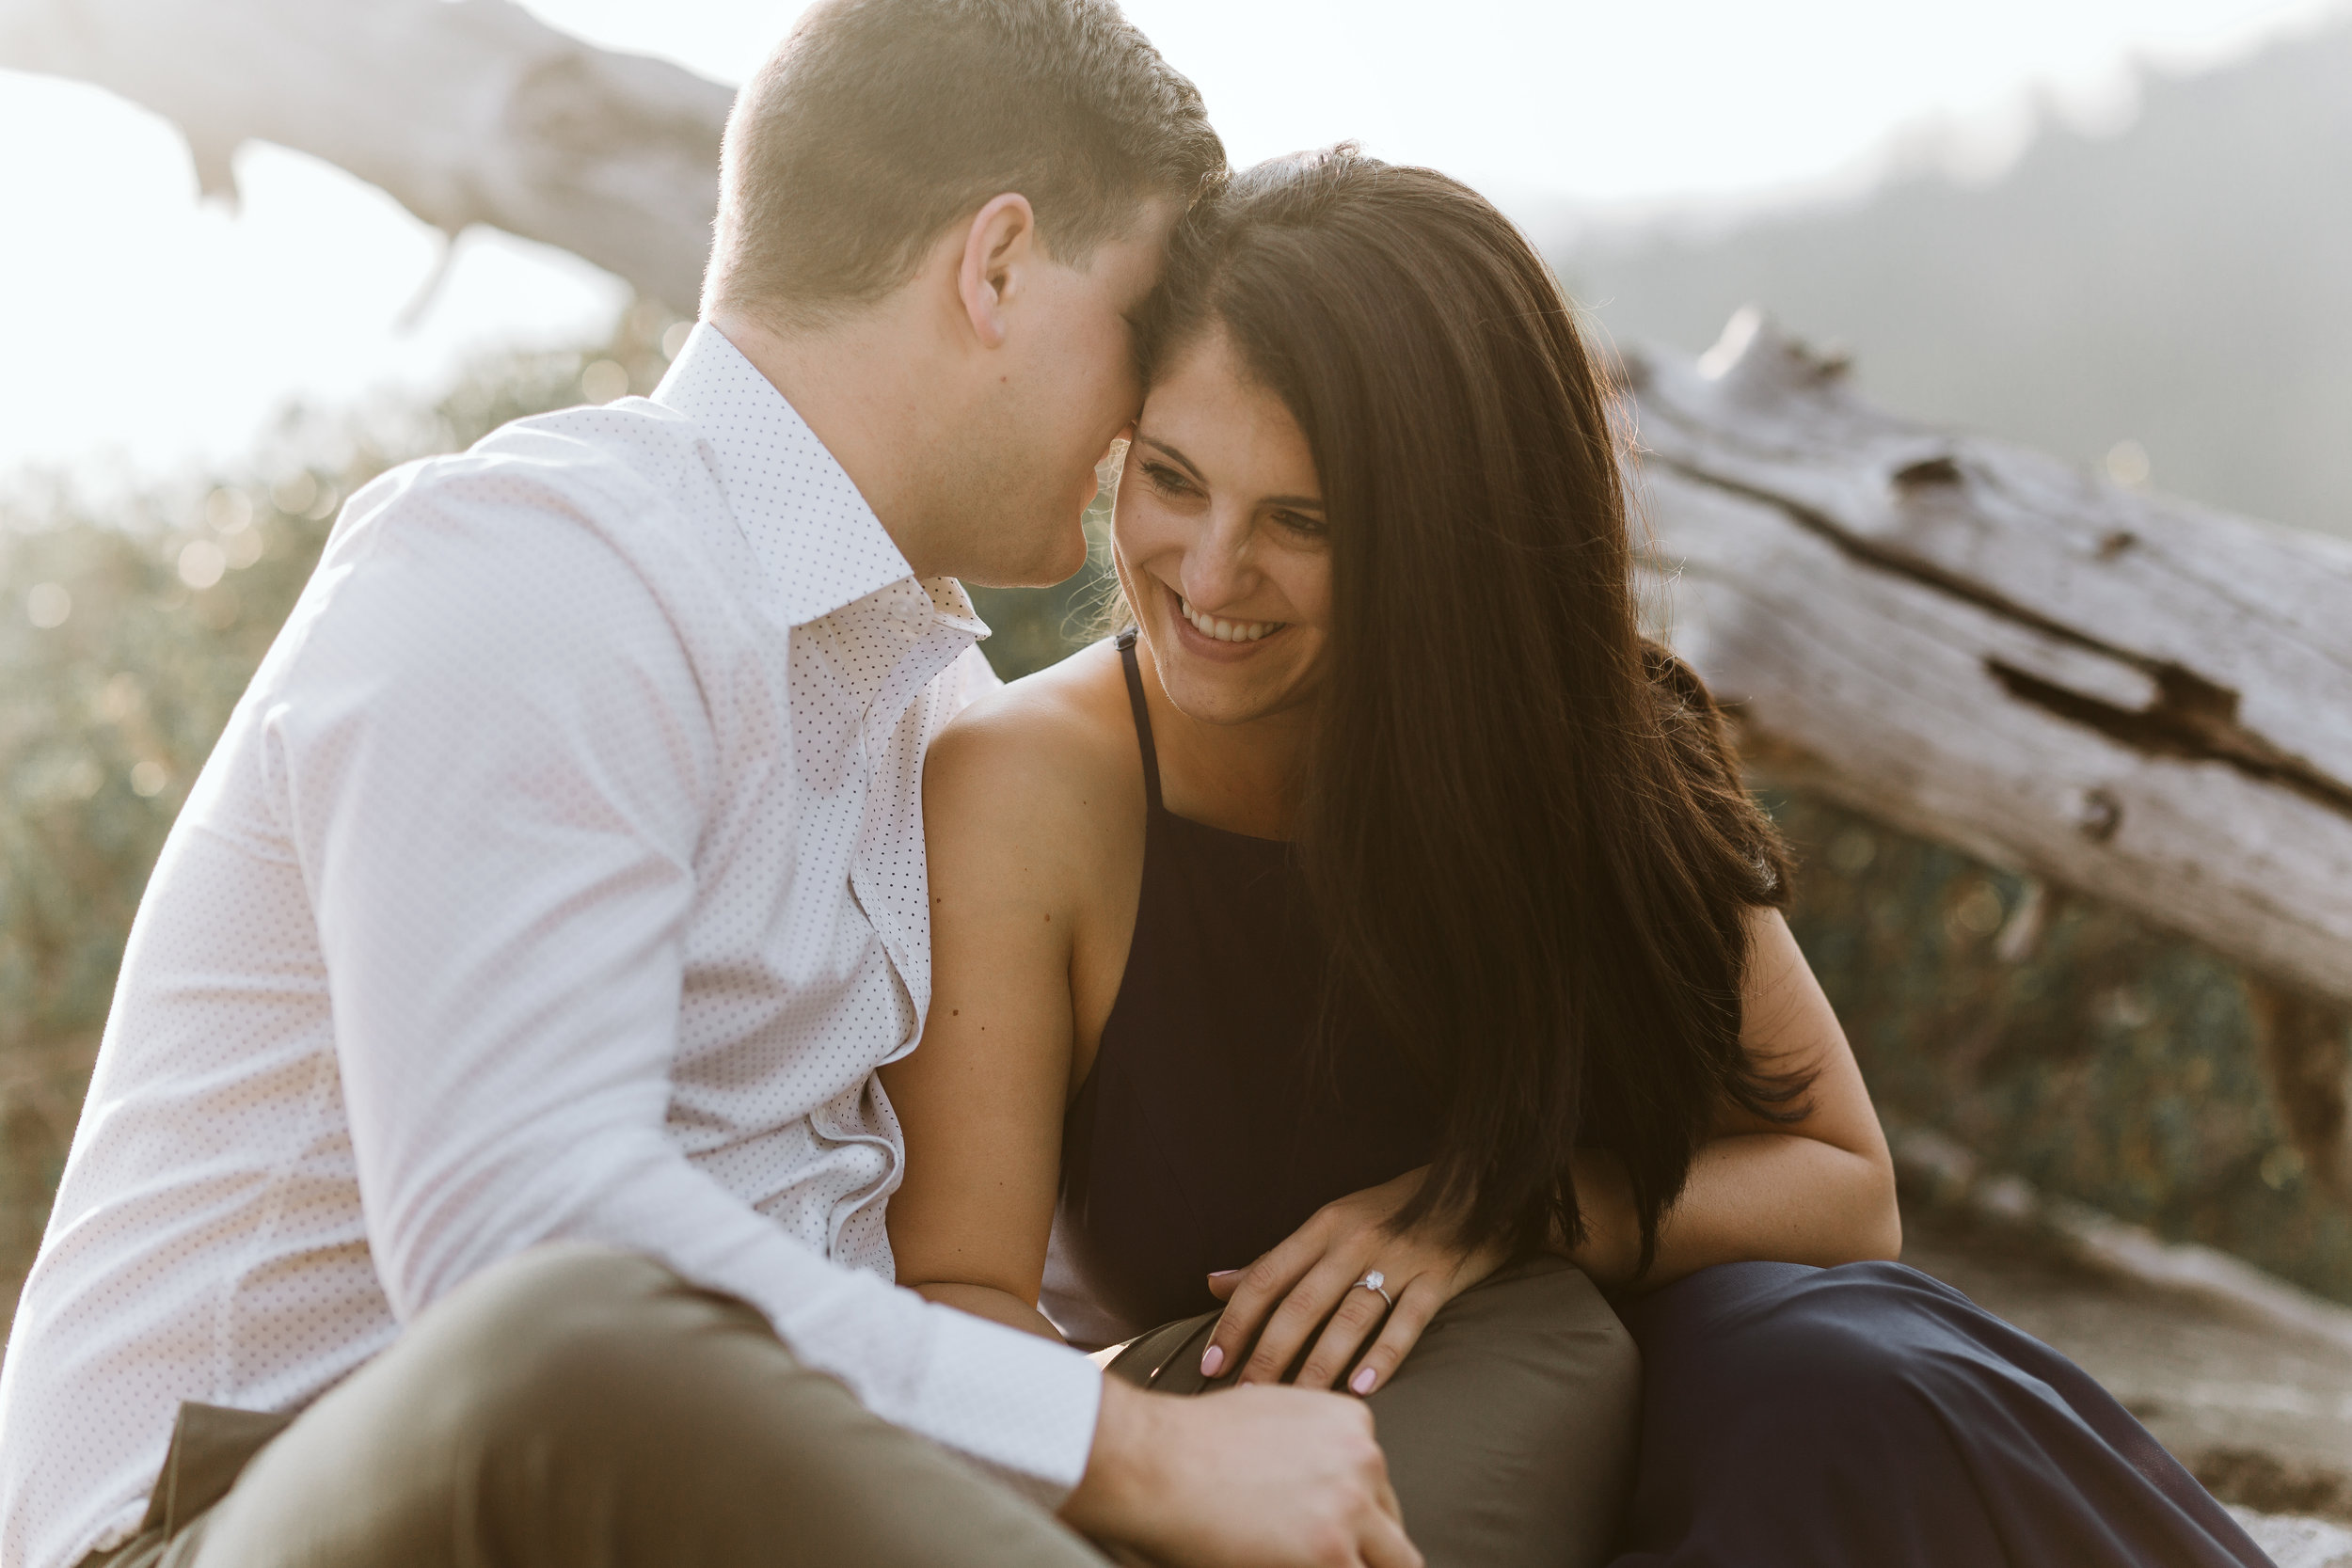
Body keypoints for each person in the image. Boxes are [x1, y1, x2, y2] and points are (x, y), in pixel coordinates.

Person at [0, 8, 1425, 1568]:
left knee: (1472, 1394)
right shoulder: (532, 571)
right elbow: (514, 1252)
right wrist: (1124, 1445)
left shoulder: (935, 702)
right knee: (577, 1335)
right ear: (998, 266)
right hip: (232, 1520)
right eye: (1144, 327)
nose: (1145, 412)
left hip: (736, 1506)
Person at [883, 148, 2278, 1567]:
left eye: (1302, 521)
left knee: (1847, 1385)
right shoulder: (1026, 789)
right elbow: (956, 1295)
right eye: (1173, 479)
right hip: (1348, 1458)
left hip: (1720, 1407)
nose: (1209, 572)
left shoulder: (1568, 743)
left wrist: (1496, 1211)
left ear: (1436, 540)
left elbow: (1845, 1185)